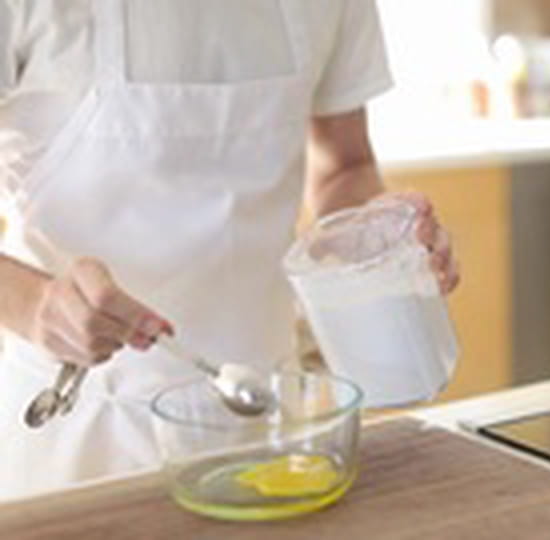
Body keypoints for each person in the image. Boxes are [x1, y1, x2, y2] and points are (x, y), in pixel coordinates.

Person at [0, 0, 459, 500]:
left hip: (267, 421)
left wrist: (375, 239)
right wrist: (35, 305)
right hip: (79, 431)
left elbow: (345, 165)